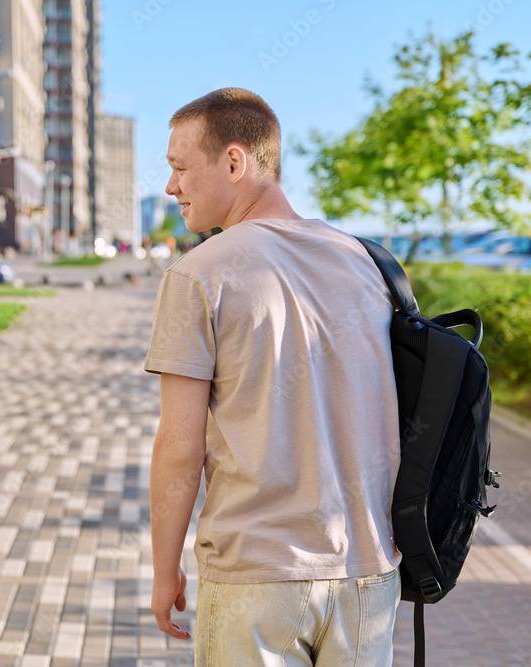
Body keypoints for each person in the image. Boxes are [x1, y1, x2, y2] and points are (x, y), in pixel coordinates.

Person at [144, 88, 402, 666]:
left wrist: (166, 572)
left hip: (256, 576)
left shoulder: (197, 276)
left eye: (180, 168)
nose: (171, 187)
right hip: (368, 572)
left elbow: (180, 448)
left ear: (234, 163)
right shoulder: (368, 263)